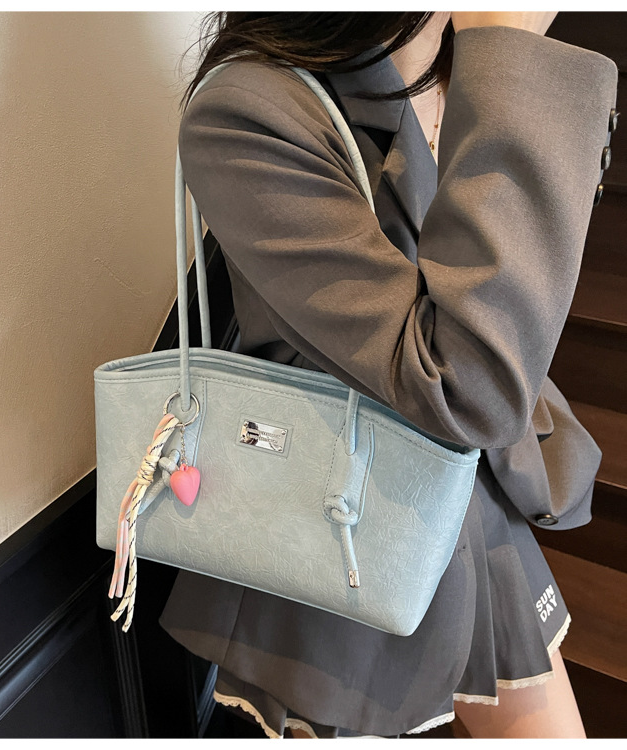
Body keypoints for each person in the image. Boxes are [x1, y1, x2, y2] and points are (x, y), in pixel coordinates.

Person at [158, 11, 617, 739]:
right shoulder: (251, 108)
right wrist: (512, 57)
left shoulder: (463, 70)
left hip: (468, 489)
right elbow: (464, 382)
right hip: (343, 509)